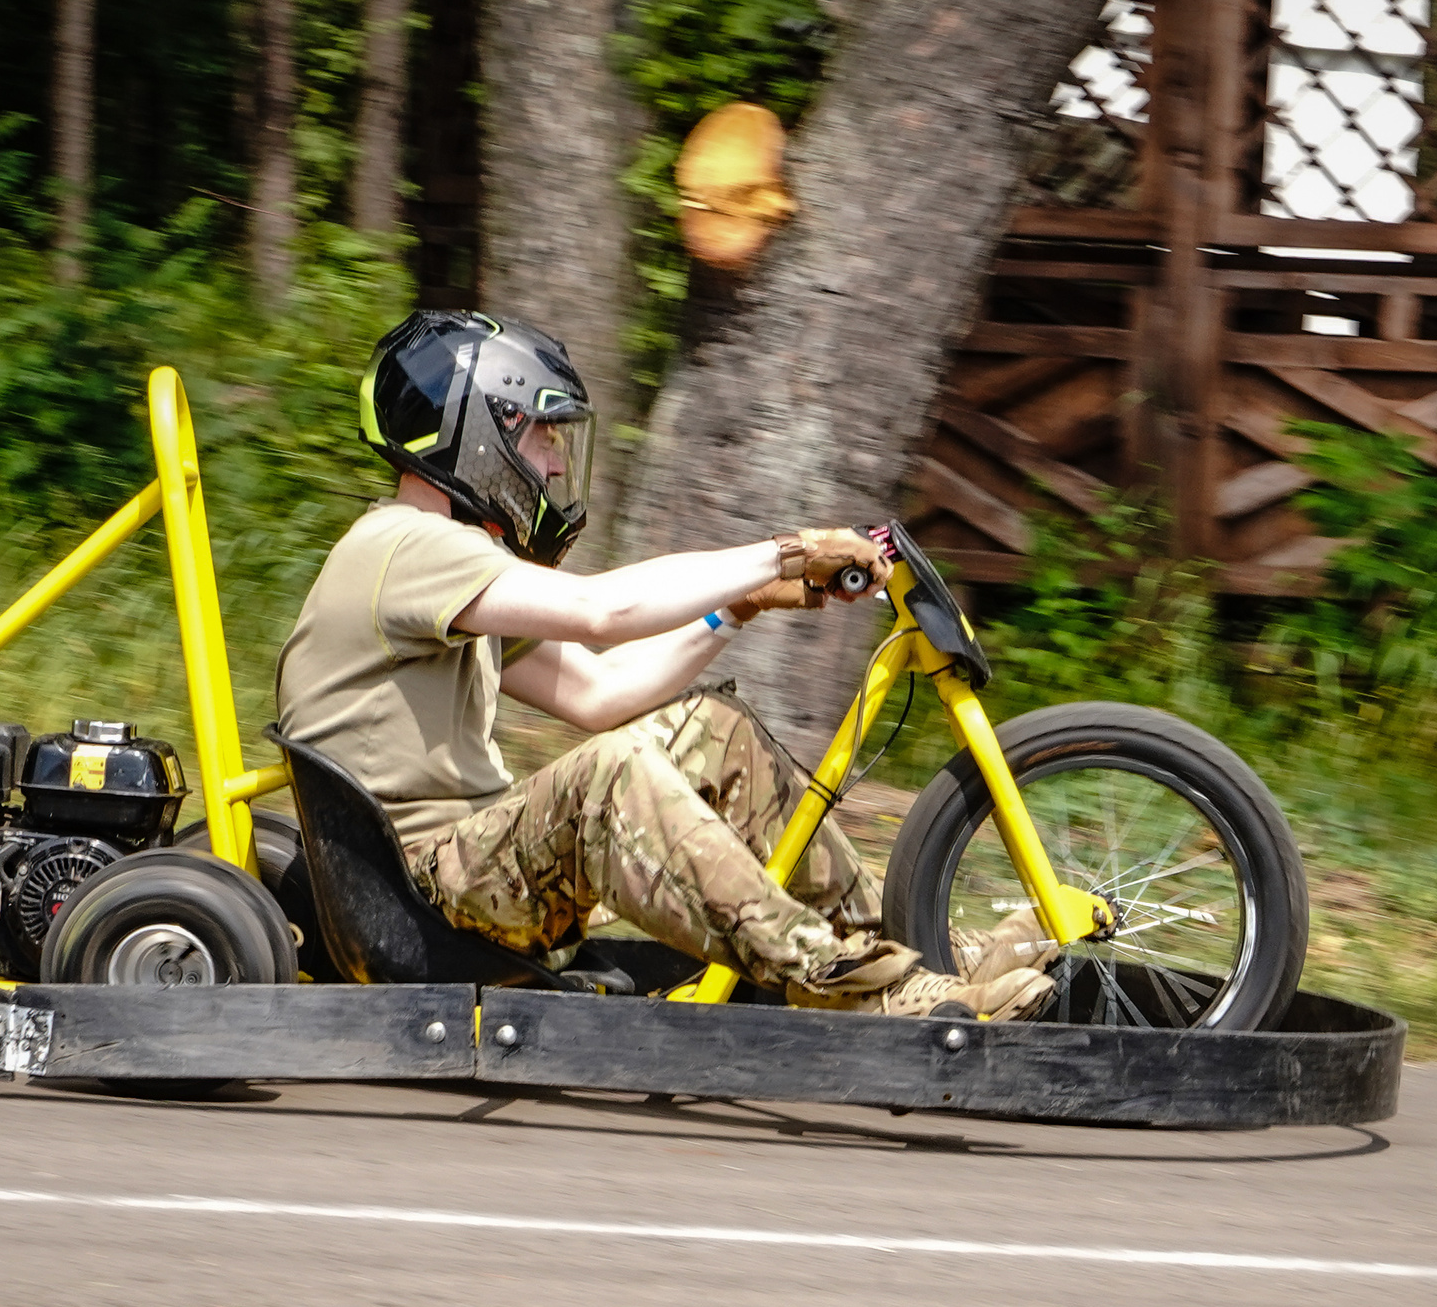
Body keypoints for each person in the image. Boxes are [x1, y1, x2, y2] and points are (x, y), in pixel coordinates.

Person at [275, 310, 1055, 1019]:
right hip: (421, 894)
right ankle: (854, 986)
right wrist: (784, 551)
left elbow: (603, 692)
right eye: (543, 437)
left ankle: (925, 948)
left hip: (468, 872)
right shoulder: (408, 544)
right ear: (482, 432)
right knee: (609, 773)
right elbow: (602, 614)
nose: (552, 464)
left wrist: (733, 610)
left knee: (713, 729)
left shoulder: (446, 569)